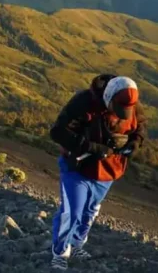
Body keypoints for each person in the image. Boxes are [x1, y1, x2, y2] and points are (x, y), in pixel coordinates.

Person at [49, 75, 146, 271]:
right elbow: (57, 132)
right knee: (72, 212)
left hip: (108, 171)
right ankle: (59, 253)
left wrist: (135, 143)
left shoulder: (132, 106)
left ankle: (76, 244)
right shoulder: (84, 102)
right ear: (108, 97)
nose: (121, 114)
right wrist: (91, 147)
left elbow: (140, 128)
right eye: (117, 108)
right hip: (78, 167)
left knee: (90, 211)